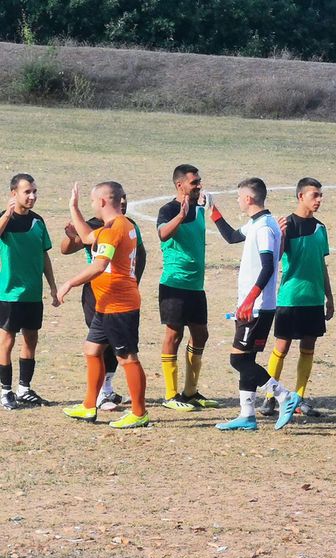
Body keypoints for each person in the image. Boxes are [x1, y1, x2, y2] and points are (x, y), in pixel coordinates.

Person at [59, 182, 149, 429]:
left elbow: (99, 266)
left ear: (101, 201)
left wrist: (69, 283)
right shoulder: (122, 224)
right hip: (106, 303)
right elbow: (88, 237)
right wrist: (74, 208)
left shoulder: (113, 230)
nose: (91, 205)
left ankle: (139, 413)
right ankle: (89, 406)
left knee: (127, 358)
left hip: (119, 305)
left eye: (91, 201)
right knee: (91, 350)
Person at [209, 178, 291, 431]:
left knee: (238, 361)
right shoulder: (256, 223)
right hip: (252, 305)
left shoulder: (264, 227)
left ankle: (284, 396)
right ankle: (247, 415)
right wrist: (213, 211)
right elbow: (232, 237)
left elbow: (268, 267)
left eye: (238, 197)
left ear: (248, 198)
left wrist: (250, 299)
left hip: (256, 307)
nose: (237, 201)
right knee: (247, 359)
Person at [261, 177, 334, 429]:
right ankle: (270, 395)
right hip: (290, 298)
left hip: (314, 299)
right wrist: (281, 237)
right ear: (301, 196)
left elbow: (322, 264)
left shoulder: (320, 228)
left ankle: (299, 397)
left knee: (308, 347)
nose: (319, 200)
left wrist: (329, 296)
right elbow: (275, 259)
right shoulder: (286, 225)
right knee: (281, 347)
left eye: (320, 195)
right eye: (315, 195)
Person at [157, 164, 217, 411]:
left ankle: (190, 392)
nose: (199, 186)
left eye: (199, 181)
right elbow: (162, 234)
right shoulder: (169, 209)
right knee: (174, 335)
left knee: (201, 334)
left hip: (195, 286)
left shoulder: (199, 208)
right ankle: (171, 395)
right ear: (180, 185)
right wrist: (180, 216)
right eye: (194, 182)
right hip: (174, 284)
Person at [0, 173, 59, 410]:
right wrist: (7, 214)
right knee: (7, 341)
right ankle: (5, 391)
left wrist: (53, 286)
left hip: (33, 294)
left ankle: (24, 389)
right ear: (14, 193)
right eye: (27, 192)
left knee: (31, 339)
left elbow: (44, 255)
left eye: (34, 191)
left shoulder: (38, 221)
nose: (32, 196)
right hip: (9, 293)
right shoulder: (5, 220)